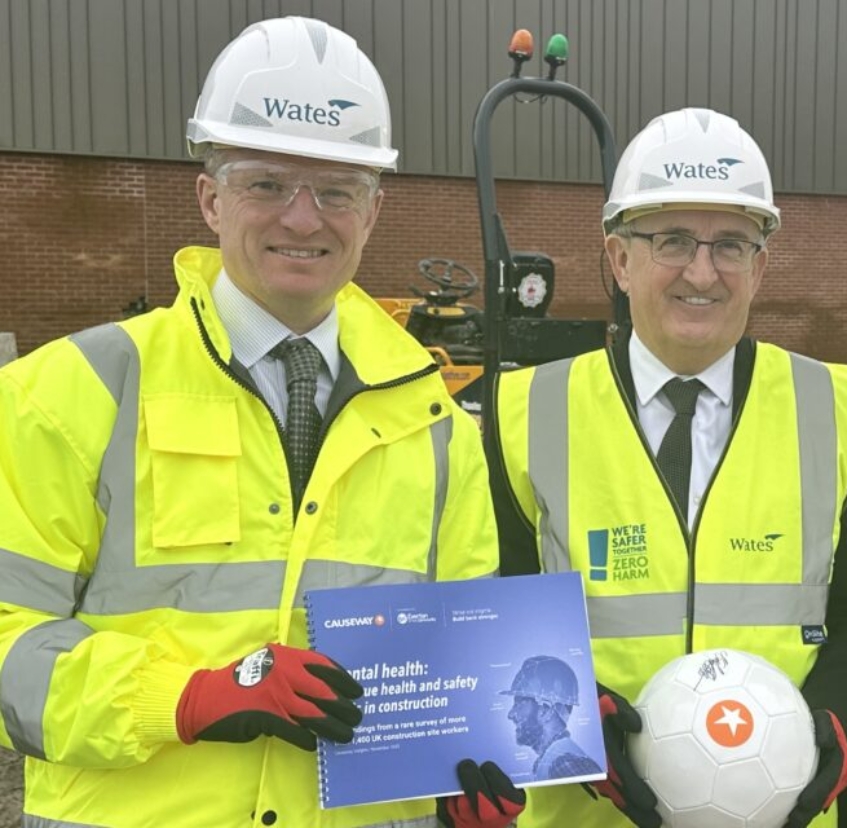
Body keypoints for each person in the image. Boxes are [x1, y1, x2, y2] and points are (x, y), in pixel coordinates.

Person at [0, 16, 523, 828]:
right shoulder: (69, 393)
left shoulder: (436, 422)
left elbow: (460, 655)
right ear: (210, 199)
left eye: (337, 191)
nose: (304, 220)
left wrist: (475, 763)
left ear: (373, 211)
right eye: (268, 184)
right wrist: (186, 698)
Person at [486, 107, 847, 828]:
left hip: (781, 810)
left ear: (760, 267)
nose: (702, 273)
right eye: (672, 240)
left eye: (731, 245)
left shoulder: (839, 405)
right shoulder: (521, 411)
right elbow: (494, 611)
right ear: (619, 259)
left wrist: (838, 721)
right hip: (588, 814)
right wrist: (579, 728)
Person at [501, 655, 605, 781]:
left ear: (546, 711)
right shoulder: (553, 761)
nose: (510, 714)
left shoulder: (563, 764)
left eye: (519, 704)